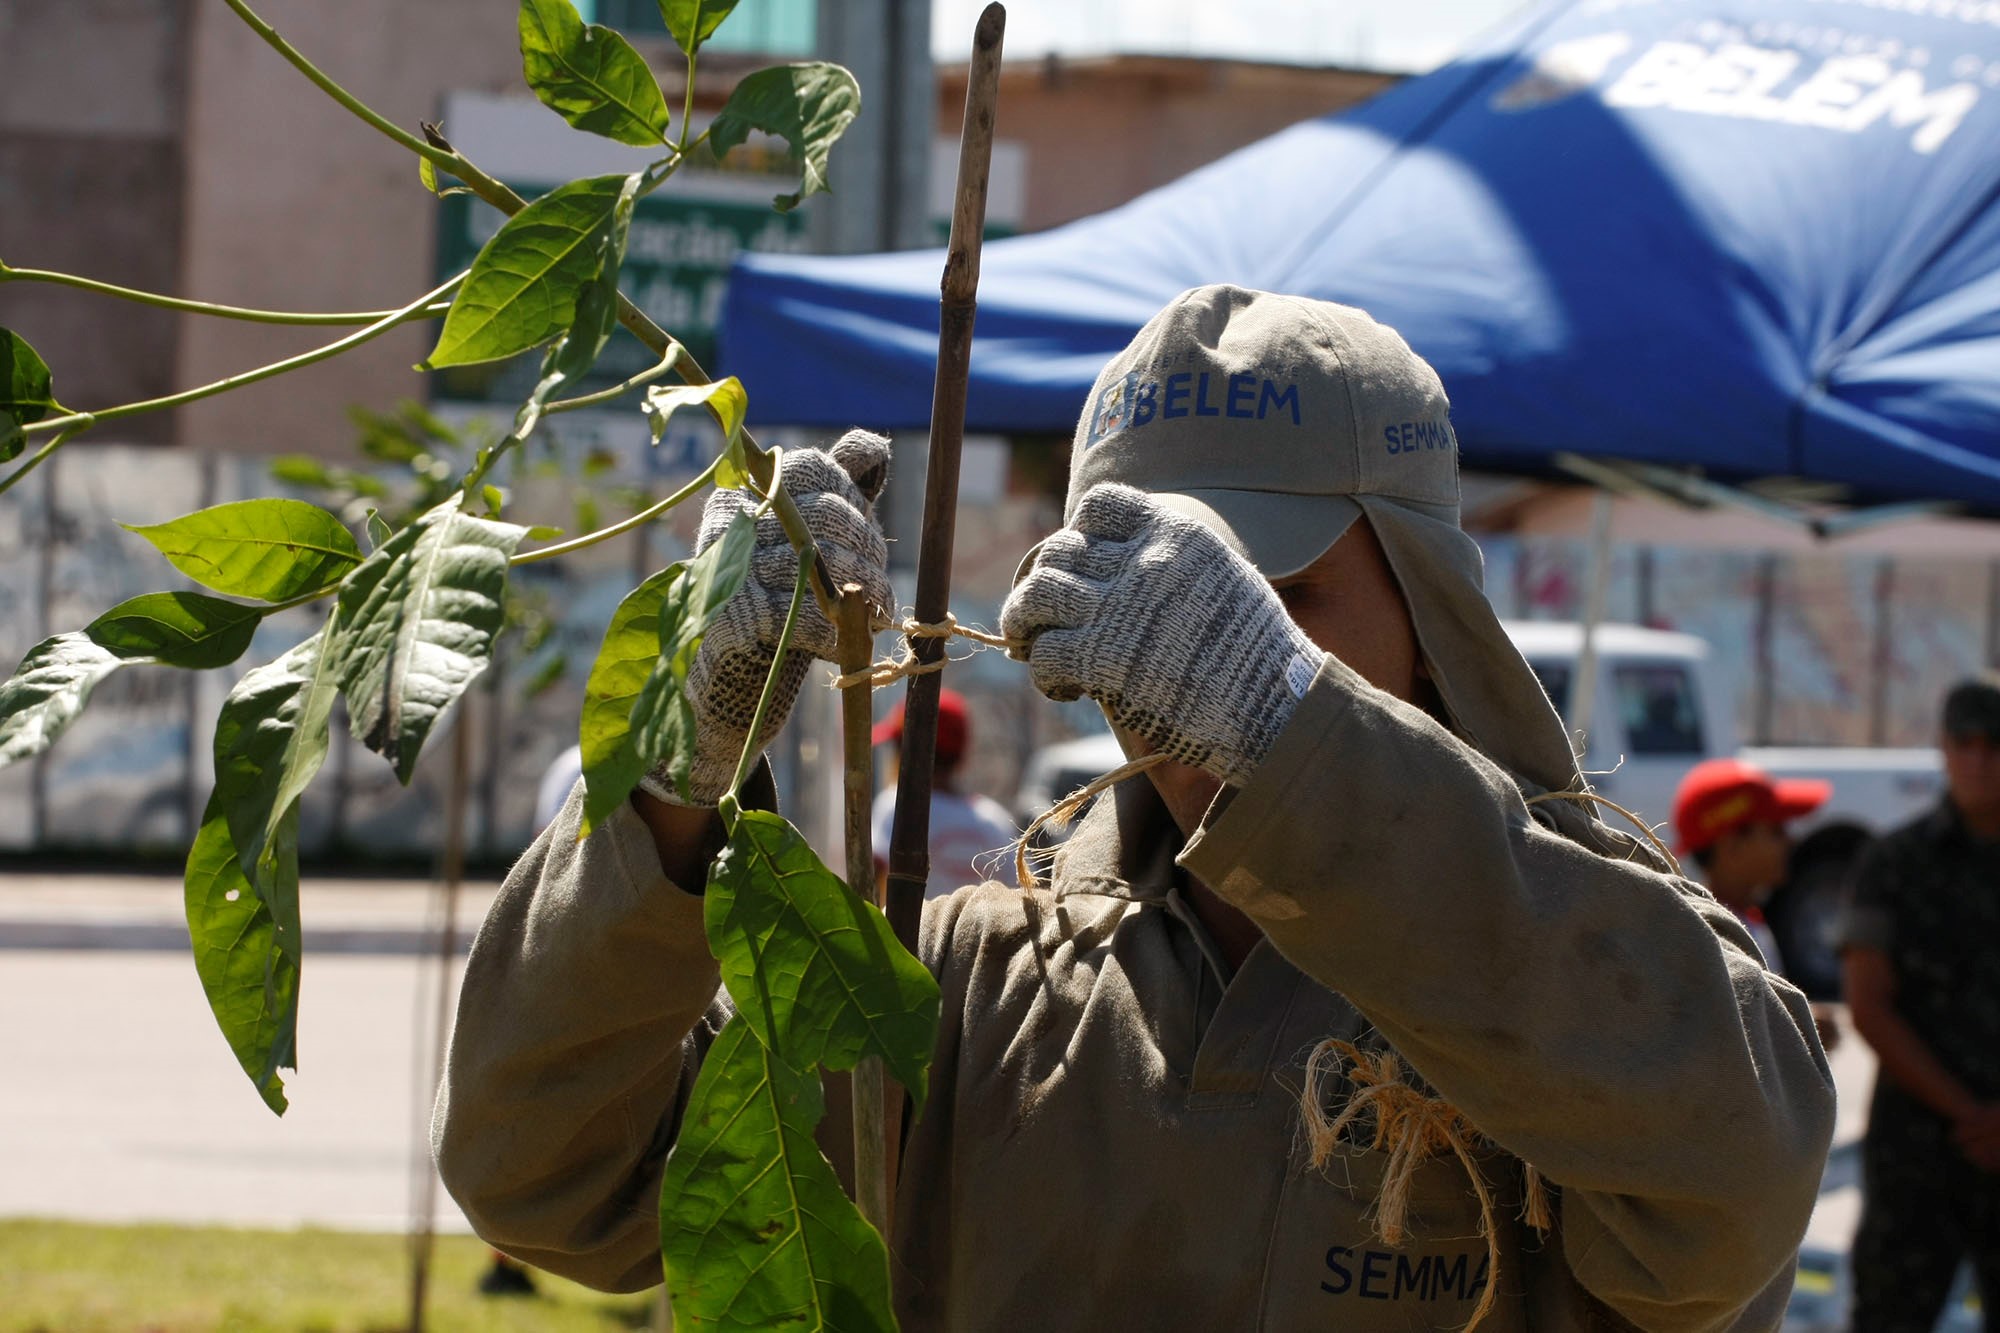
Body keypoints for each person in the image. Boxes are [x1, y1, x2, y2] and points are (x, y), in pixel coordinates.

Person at [432, 285, 1834, 1330]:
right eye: (1144, 615)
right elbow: (550, 1179)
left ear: (1431, 605)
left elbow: (1730, 1195)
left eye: (1275, 610)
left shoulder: (1604, 943)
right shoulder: (962, 977)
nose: (1179, 672)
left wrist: (1294, 734)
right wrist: (684, 763)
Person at [1840, 676, 2000, 1332]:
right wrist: (1970, 1113)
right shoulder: (1894, 862)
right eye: (1965, 742)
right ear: (1943, 747)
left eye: (1996, 744)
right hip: (1918, 1151)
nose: (1980, 759)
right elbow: (1869, 1004)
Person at [1672, 757, 1840, 1050]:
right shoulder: (1709, 937)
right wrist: (1799, 1026)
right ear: (1732, 846)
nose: (1791, 841)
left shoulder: (1749, 920)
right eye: (1776, 831)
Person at [869, 687, 1016, 896]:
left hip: (910, 930)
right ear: (961, 756)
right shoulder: (995, 822)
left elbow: (869, 884)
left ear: (906, 752)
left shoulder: (898, 808)